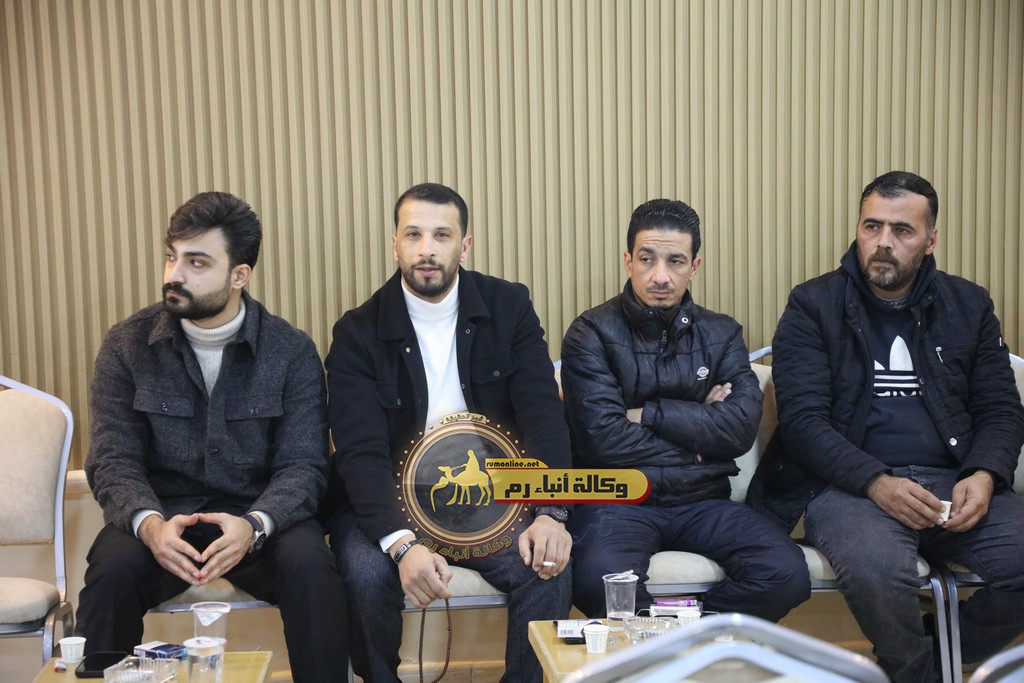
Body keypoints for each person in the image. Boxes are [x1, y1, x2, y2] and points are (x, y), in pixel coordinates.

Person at [748, 171, 1024, 682]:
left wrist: (984, 475)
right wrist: (876, 481)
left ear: (930, 240)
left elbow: (1001, 409)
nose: (883, 243)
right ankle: (916, 671)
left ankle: (930, 657)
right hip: (849, 486)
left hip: (953, 479)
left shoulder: (969, 305)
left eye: (902, 230)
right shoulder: (813, 304)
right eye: (871, 226)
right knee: (878, 570)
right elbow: (804, 422)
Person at [77, 191, 347, 683]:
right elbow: (113, 459)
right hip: (162, 517)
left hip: (258, 518)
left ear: (239, 275)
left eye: (197, 262)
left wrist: (256, 525)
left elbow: (304, 465)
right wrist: (149, 525)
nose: (174, 274)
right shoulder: (127, 344)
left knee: (312, 568)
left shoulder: (290, 351)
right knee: (110, 572)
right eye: (172, 256)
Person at [323, 182, 572, 683]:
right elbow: (360, 453)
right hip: (387, 496)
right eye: (413, 235)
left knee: (546, 569)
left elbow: (543, 415)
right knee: (365, 577)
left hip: (488, 493)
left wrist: (551, 512)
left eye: (441, 235)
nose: (426, 249)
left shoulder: (509, 307)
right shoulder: (357, 332)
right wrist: (401, 544)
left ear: (465, 244)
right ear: (395, 244)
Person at [560, 198, 810, 621]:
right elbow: (602, 441)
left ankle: (690, 637)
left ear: (694, 267)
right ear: (628, 261)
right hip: (617, 500)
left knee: (785, 573)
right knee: (598, 580)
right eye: (647, 259)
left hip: (703, 501)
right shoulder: (591, 333)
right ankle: (673, 644)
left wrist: (646, 414)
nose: (660, 276)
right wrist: (699, 444)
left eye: (675, 261)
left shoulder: (722, 333)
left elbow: (737, 431)